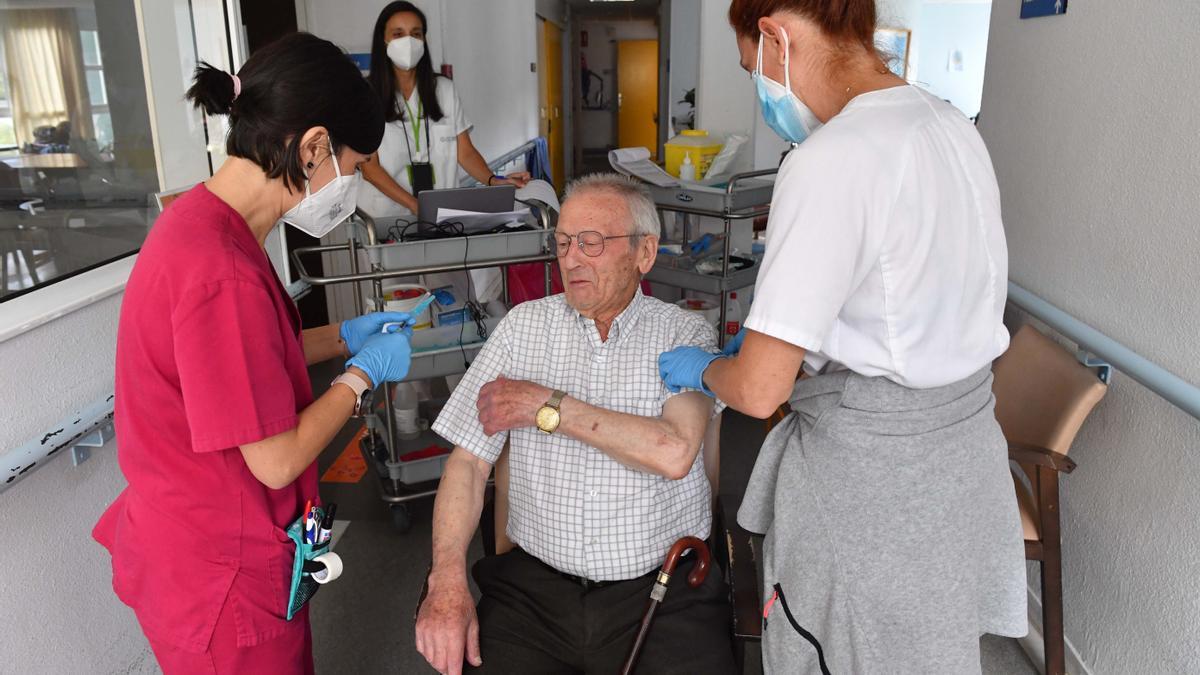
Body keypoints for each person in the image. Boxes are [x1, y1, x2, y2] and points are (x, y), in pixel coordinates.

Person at [658, 1, 1027, 672]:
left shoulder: (832, 158)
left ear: (776, 35)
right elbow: (905, 293)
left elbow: (759, 387)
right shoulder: (949, 124)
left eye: (752, 68)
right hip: (963, 462)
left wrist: (710, 367)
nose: (762, 90)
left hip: (875, 492)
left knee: (843, 651)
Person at [92, 33, 415, 674]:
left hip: (197, 550)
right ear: (314, 146)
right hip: (221, 580)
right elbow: (275, 459)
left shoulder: (209, 226)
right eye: (352, 169)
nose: (347, 186)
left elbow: (244, 363)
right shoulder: (221, 271)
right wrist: (358, 377)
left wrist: (345, 335)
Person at [414, 174, 737, 675]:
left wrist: (547, 406)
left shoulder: (684, 333)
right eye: (563, 242)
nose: (570, 258)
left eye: (591, 242)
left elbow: (673, 452)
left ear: (643, 253)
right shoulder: (523, 328)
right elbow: (469, 462)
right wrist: (447, 579)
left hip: (665, 590)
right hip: (533, 592)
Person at [358, 1, 530, 222]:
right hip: (386, 218)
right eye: (398, 34)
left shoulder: (444, 89)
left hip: (442, 214)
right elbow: (369, 168)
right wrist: (415, 205)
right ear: (383, 41)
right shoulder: (365, 95)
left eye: (416, 33)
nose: (408, 41)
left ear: (424, 40)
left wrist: (492, 179)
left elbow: (464, 152)